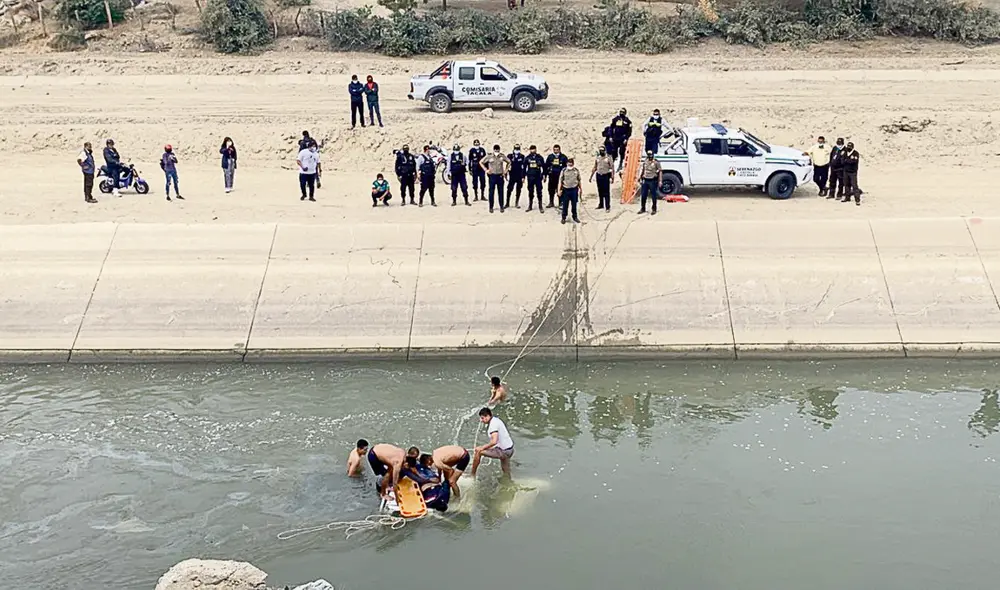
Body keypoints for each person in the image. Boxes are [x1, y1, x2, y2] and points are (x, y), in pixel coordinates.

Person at [471, 408, 514, 477]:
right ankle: (509, 482)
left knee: (478, 451)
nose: (481, 420)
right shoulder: (496, 420)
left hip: (503, 451)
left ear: (488, 416)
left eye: (482, 418)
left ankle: (472, 474)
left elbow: (494, 441)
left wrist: (482, 448)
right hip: (510, 449)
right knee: (505, 471)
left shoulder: (493, 425)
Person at [481, 144, 510, 213]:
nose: (497, 151)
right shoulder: (489, 156)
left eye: (498, 150)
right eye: (495, 150)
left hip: (500, 176)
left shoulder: (502, 156)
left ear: (499, 150)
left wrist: (505, 171)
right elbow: (481, 162)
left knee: (501, 192)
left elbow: (509, 162)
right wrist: (486, 170)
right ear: (493, 150)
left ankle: (501, 206)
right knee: (491, 192)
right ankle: (491, 207)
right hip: (492, 176)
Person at [590, 146, 615, 210]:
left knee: (606, 191)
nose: (601, 152)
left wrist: (612, 177)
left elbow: (612, 168)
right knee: (600, 190)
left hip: (605, 175)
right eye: (600, 150)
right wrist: (591, 176)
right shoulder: (598, 158)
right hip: (599, 175)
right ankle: (601, 204)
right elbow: (595, 167)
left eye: (602, 150)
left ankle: (607, 206)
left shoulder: (608, 158)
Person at [544, 144, 568, 209]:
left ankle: (560, 203)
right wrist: (545, 175)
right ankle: (551, 202)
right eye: (555, 150)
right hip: (552, 176)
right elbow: (546, 166)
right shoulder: (550, 157)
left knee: (560, 190)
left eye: (557, 150)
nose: (556, 151)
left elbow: (567, 167)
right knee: (551, 189)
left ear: (560, 150)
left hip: (560, 177)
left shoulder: (563, 157)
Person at [559, 157, 582, 224]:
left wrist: (581, 189)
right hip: (566, 190)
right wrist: (559, 190)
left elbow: (579, 180)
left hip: (574, 190)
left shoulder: (576, 170)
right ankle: (563, 217)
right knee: (565, 205)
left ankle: (575, 217)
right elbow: (560, 181)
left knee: (574, 205)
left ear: (573, 164)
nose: (570, 165)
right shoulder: (563, 171)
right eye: (569, 164)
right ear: (567, 164)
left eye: (571, 164)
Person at [524, 145, 546, 213]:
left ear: (536, 150)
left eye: (534, 149)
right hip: (530, 177)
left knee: (539, 191)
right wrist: (523, 177)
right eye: (531, 149)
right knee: (530, 191)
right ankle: (530, 205)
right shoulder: (527, 158)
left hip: (538, 177)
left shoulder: (540, 157)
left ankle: (540, 206)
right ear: (529, 150)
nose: (532, 151)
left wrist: (544, 175)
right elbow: (524, 168)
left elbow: (544, 167)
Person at [639, 150, 661, 215]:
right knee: (643, 195)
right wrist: (640, 177)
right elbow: (643, 169)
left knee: (653, 195)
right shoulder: (645, 161)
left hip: (652, 180)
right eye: (649, 154)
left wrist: (660, 181)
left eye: (651, 154)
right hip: (645, 180)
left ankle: (654, 209)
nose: (650, 156)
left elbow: (660, 171)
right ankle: (643, 208)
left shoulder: (656, 162)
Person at [505, 144, 526, 209]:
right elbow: (507, 165)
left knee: (518, 189)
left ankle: (517, 203)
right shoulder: (510, 156)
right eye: (516, 149)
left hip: (519, 175)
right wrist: (506, 174)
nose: (517, 150)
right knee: (509, 189)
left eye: (518, 149)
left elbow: (523, 167)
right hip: (512, 175)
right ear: (513, 149)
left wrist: (523, 177)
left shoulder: (522, 156)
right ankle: (507, 203)